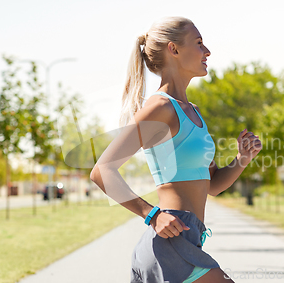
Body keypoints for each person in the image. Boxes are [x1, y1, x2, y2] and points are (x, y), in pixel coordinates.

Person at [90, 16, 262, 283]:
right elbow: (102, 170)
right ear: (174, 49)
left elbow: (213, 186)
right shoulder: (161, 108)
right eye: (199, 43)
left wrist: (242, 159)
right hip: (169, 241)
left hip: (189, 238)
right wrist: (152, 215)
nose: (207, 51)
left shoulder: (194, 113)